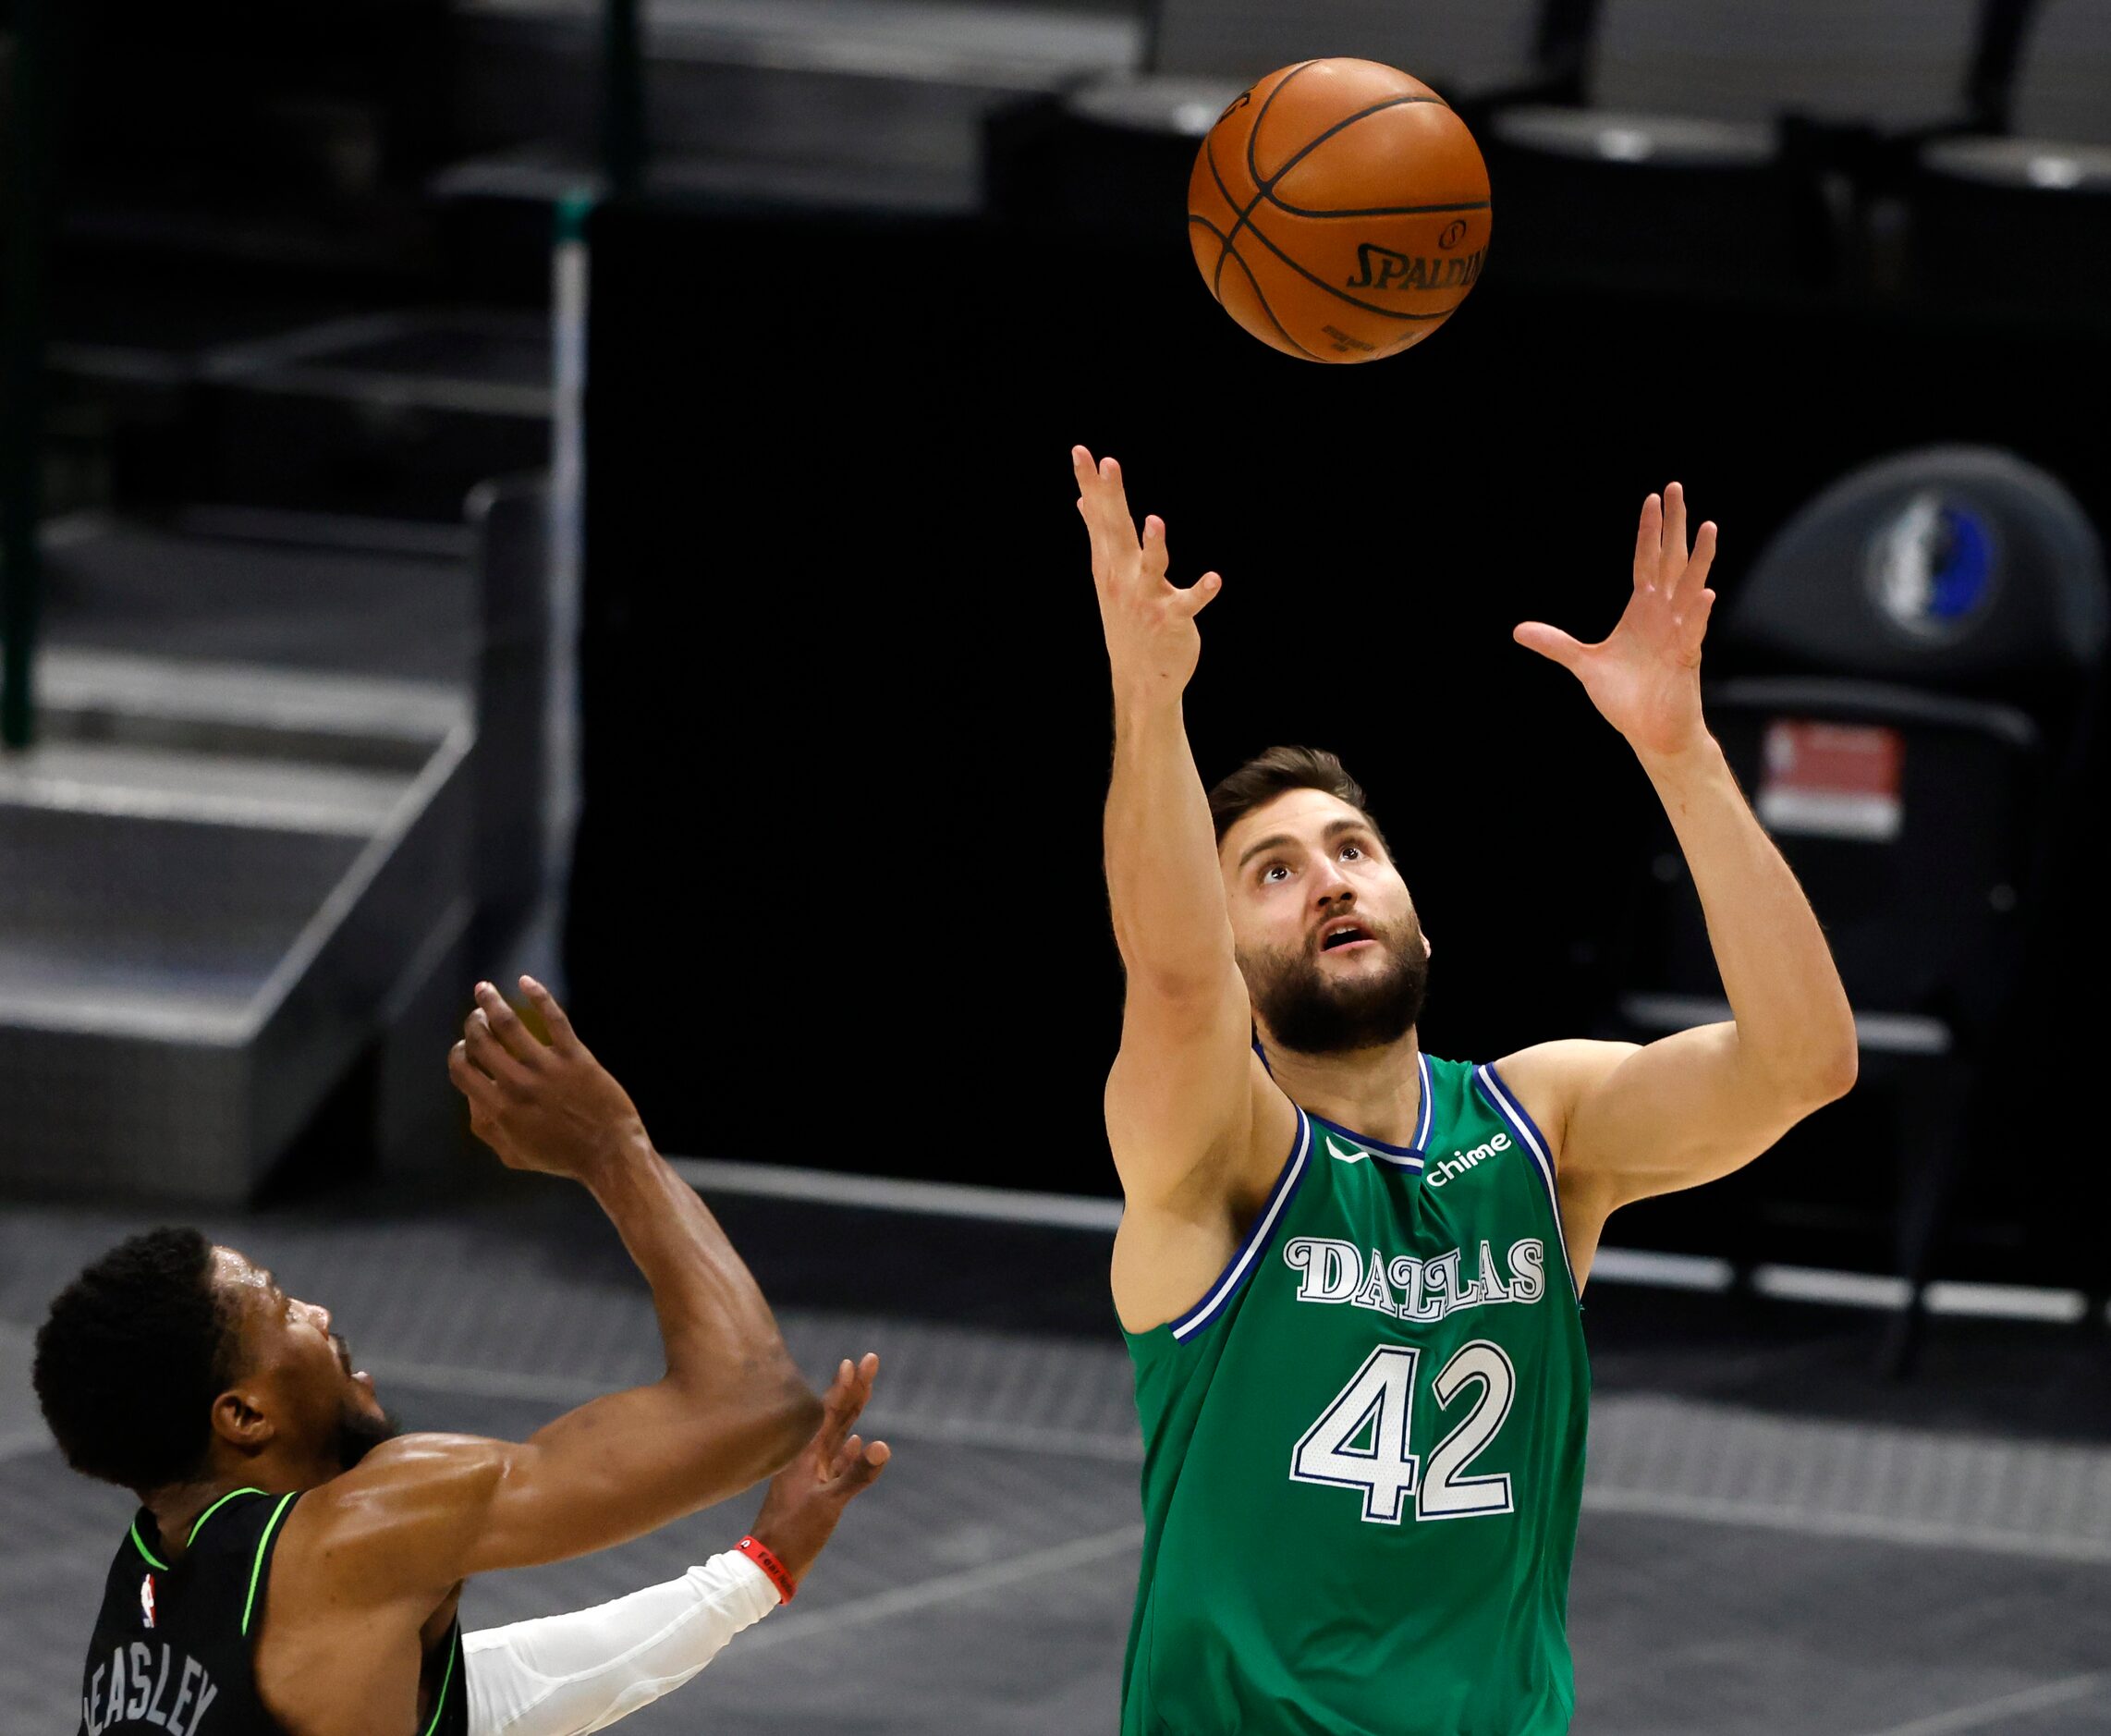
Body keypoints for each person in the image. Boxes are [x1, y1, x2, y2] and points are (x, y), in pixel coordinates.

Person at [1075, 446, 1859, 1735]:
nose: (1328, 878)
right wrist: (1149, 697)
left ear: (1422, 924)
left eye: (1353, 848)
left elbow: (1804, 1063)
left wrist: (1679, 750)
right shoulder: (1217, 1162)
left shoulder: (1538, 1127)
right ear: (1232, 963)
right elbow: (1168, 985)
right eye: (1271, 872)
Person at [36, 977, 888, 1736]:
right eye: (283, 1307)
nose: (320, 1311)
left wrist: (755, 1573)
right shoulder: (357, 1531)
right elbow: (751, 1403)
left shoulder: (146, 1591)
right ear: (244, 1414)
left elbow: (495, 1702)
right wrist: (611, 1149)